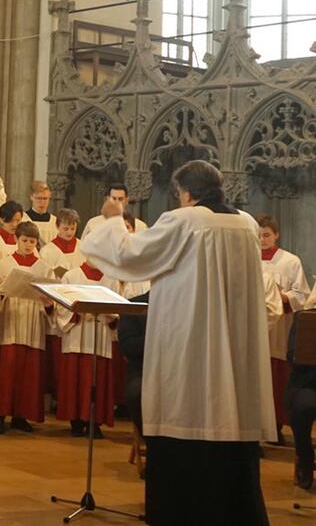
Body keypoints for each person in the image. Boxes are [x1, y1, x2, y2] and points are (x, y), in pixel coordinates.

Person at [81, 160, 273, 526]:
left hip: (192, 350)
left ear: (186, 193)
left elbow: (129, 256)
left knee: (185, 418)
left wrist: (110, 219)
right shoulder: (246, 224)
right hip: (233, 354)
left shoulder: (184, 221)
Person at [0, 223, 50, 434]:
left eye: (32, 242)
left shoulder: (43, 266)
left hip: (33, 319)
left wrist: (47, 300)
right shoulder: (4, 264)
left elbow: (51, 295)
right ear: (17, 240)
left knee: (29, 370)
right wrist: (3, 291)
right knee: (7, 369)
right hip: (12, 318)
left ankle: (21, 416)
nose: (27, 245)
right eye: (24, 241)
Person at [54, 256, 121, 438]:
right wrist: (76, 313)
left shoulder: (110, 279)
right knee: (76, 377)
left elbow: (117, 308)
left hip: (100, 333)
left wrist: (111, 315)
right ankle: (75, 420)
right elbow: (60, 305)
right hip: (77, 333)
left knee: (97, 377)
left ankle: (95, 421)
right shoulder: (71, 276)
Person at [258, 213, 309, 443]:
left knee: (277, 378)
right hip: (255, 328)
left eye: (266, 235)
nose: (262, 240)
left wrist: (282, 297)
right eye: (258, 236)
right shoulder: (247, 259)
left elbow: (302, 295)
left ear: (276, 235)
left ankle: (276, 426)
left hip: (279, 328)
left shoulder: (290, 261)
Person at [287, 313, 316, 489]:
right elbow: (292, 354)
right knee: (303, 408)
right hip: (309, 382)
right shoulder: (304, 319)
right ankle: (305, 457)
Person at [80, 182, 146, 240]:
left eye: (120, 199)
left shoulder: (140, 226)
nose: (117, 202)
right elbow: (83, 249)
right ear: (108, 199)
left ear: (126, 201)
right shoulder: (93, 224)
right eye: (114, 198)